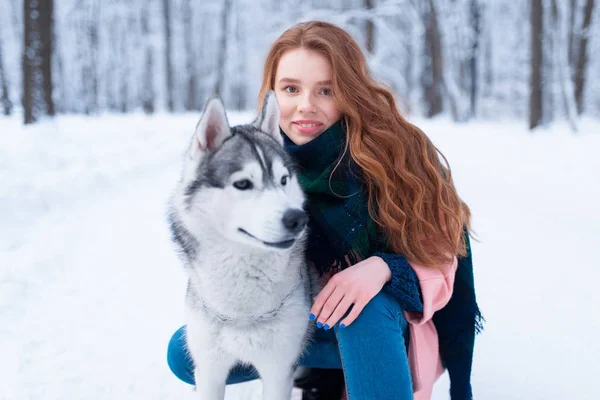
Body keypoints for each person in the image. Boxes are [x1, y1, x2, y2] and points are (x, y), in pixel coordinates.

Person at [167, 21, 482, 400]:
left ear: (350, 92)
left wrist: (384, 268)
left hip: (381, 326)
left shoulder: (399, 153)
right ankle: (315, 374)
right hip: (299, 317)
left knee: (363, 308)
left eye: (326, 90)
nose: (305, 106)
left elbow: (442, 260)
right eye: (290, 89)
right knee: (184, 353)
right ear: (273, 93)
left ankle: (362, 378)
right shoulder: (257, 156)